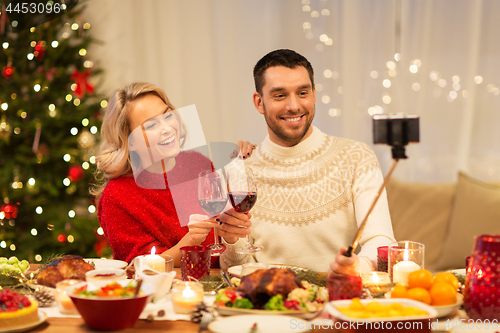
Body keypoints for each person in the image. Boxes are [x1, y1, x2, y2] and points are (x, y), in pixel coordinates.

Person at [218, 49, 396, 275]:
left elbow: (382, 242)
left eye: (302, 93)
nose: (294, 106)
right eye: (280, 95)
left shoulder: (357, 157)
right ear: (259, 102)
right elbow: (236, 267)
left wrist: (357, 267)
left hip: (339, 299)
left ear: (314, 94)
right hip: (267, 304)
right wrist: (232, 240)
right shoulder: (239, 169)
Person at [91, 82, 253, 265]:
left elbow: (222, 249)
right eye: (151, 125)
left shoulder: (197, 163)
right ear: (130, 141)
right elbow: (141, 267)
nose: (167, 128)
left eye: (167, 115)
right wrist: (192, 240)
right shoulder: (117, 196)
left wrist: (230, 234)